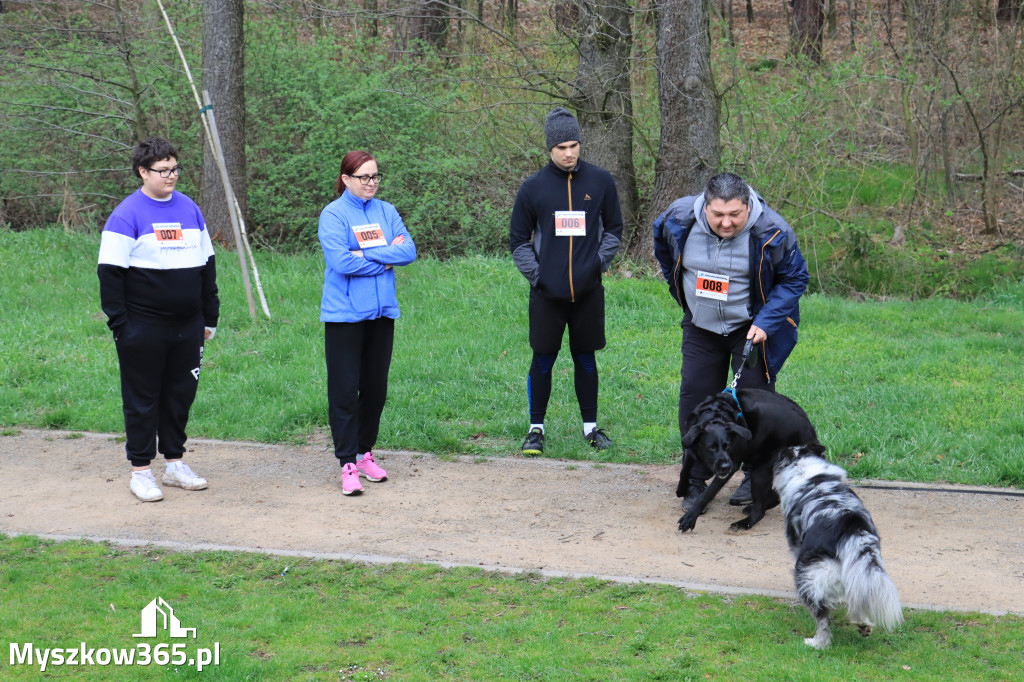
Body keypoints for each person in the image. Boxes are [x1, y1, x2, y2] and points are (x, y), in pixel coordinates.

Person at [653, 172, 809, 510]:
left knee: (754, 406)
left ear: (748, 205)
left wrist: (766, 322)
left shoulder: (773, 230)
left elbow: (796, 277)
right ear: (704, 206)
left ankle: (756, 476)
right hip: (701, 326)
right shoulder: (677, 219)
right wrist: (684, 294)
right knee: (695, 400)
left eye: (735, 215)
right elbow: (665, 253)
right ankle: (695, 478)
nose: (726, 223)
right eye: (718, 215)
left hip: (750, 328)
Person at [98, 137, 219, 502]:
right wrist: (122, 325)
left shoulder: (190, 209)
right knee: (143, 398)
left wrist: (208, 317)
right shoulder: (126, 214)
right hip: (142, 327)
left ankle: (175, 464)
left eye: (175, 169)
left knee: (180, 396)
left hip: (189, 326)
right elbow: (110, 274)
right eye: (163, 170)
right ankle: (140, 471)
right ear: (143, 172)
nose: (171, 176)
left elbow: (207, 267)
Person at [510, 107, 624, 456]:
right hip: (547, 294)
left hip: (588, 292)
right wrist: (539, 276)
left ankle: (590, 427)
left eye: (574, 144)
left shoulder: (601, 181)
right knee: (543, 359)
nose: (569, 153)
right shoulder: (533, 188)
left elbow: (615, 229)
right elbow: (518, 241)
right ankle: (535, 429)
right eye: (561, 147)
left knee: (586, 358)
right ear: (549, 148)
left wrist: (597, 265)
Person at [319, 150, 416, 496]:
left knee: (375, 389)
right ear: (346, 179)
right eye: (364, 177)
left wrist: (366, 254)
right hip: (345, 316)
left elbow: (409, 252)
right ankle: (346, 462)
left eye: (375, 176)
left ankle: (364, 453)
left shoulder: (386, 211)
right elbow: (341, 262)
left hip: (382, 313)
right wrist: (385, 257)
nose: (371, 183)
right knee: (345, 391)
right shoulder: (333, 215)